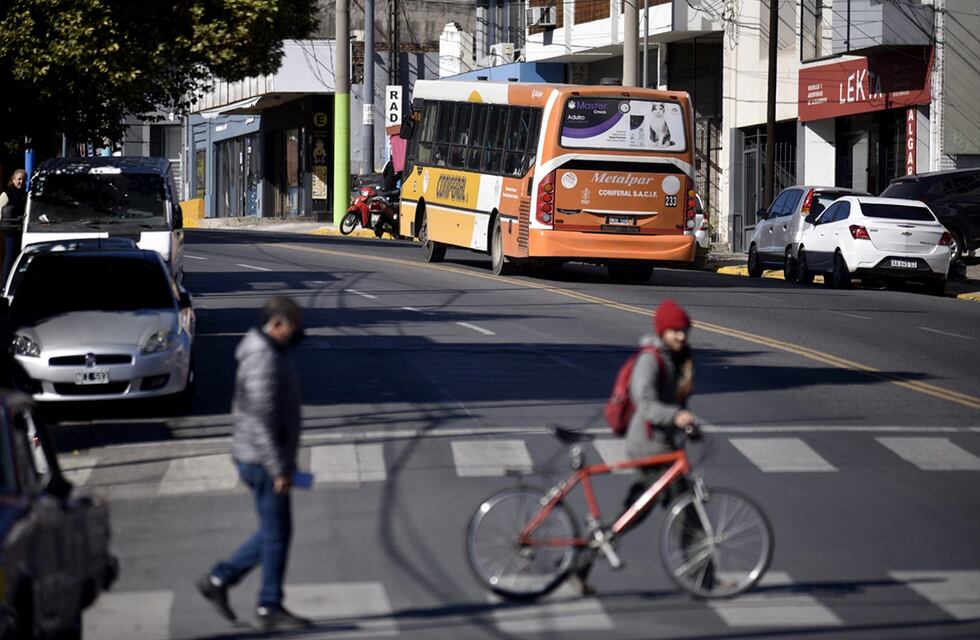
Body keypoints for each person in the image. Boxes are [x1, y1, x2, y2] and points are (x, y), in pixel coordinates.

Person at [197, 296, 311, 632]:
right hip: (261, 461)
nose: (297, 334)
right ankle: (266, 604)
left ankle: (222, 580)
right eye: (293, 327)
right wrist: (279, 469)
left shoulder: (268, 353)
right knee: (276, 534)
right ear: (277, 325)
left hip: (260, 457)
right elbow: (262, 422)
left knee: (274, 532)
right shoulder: (262, 359)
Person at [572, 299, 700, 595]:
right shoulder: (650, 360)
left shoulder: (676, 358)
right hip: (650, 447)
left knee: (633, 514)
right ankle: (705, 581)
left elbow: (674, 403)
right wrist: (677, 417)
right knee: (687, 514)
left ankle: (580, 566)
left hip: (661, 445)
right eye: (675, 331)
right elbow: (646, 404)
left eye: (684, 330)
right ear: (662, 331)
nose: (681, 336)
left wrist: (686, 424)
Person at [0, 169, 27, 284]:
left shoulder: (25, 195)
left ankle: (15, 282)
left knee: (19, 258)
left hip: (21, 231)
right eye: (19, 179)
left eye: (23, 179)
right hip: (10, 231)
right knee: (10, 256)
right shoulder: (6, 194)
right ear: (13, 180)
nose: (21, 181)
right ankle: (5, 284)